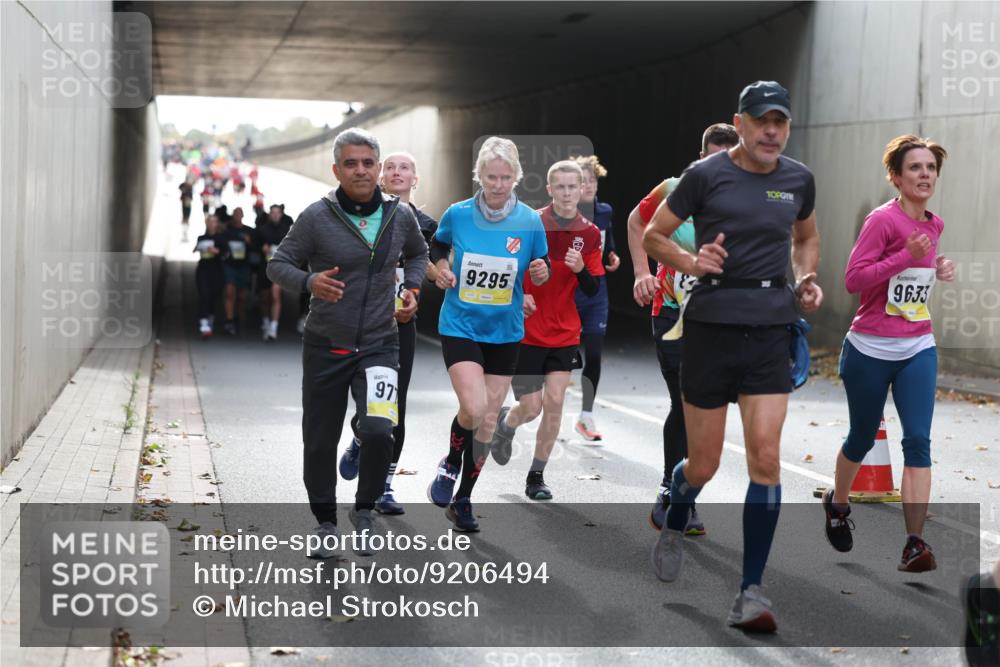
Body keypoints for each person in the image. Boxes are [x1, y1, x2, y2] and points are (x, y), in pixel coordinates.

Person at [643, 81, 822, 632]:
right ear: (739, 123)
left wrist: (806, 278)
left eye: (781, 122)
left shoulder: (798, 179)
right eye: (761, 120)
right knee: (705, 463)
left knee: (765, 457)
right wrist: (693, 261)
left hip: (771, 326)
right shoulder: (705, 176)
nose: (772, 130)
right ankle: (677, 506)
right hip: (712, 325)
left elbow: (807, 237)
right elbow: (653, 235)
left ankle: (751, 592)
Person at [267, 127, 427, 557]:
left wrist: (411, 290)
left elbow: (418, 253)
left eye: (368, 163)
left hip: (380, 344)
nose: (360, 170)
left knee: (379, 429)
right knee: (319, 441)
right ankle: (324, 523)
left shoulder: (399, 215)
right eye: (351, 163)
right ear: (336, 169)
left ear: (378, 169)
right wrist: (309, 281)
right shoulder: (317, 217)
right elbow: (277, 264)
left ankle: (365, 512)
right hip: (326, 345)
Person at [821, 135, 954, 574]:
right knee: (862, 437)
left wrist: (936, 268)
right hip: (869, 349)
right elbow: (853, 280)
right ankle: (838, 503)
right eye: (914, 168)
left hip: (917, 345)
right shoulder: (882, 221)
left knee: (918, 440)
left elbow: (913, 283)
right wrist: (902, 257)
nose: (924, 175)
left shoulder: (934, 224)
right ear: (896, 177)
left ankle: (915, 543)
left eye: (930, 168)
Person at [426, 136, 550, 532]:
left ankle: (463, 499)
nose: (498, 184)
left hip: (506, 329)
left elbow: (540, 262)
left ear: (516, 177)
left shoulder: (530, 221)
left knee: (487, 423)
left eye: (506, 177)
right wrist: (442, 268)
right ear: (478, 175)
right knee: (475, 408)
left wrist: (540, 272)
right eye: (491, 176)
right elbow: (437, 247)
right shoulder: (458, 214)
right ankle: (449, 463)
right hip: (461, 323)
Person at [628, 122, 739, 535]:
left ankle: (682, 491)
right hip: (672, 312)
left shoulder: (749, 197)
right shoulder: (676, 187)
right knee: (685, 399)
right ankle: (672, 491)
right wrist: (642, 271)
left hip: (719, 318)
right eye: (711, 160)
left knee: (705, 409)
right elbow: (637, 223)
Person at [489, 160, 602, 500]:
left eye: (574, 186)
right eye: (561, 187)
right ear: (550, 190)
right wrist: (517, 298)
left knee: (555, 402)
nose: (568, 193)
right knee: (532, 407)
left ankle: (536, 476)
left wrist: (581, 270)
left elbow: (593, 289)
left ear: (582, 189)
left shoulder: (590, 234)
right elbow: (503, 268)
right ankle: (507, 423)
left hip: (565, 332)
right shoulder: (529, 223)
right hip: (525, 331)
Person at [339, 151, 439, 515]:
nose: (398, 172)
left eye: (406, 168)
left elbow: (439, 271)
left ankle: (384, 486)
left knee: (395, 406)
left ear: (416, 179)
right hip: (361, 324)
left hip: (401, 326)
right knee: (370, 404)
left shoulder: (428, 225)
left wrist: (429, 267)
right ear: (382, 177)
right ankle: (359, 437)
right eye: (392, 167)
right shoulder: (363, 216)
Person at [571, 155, 620, 441]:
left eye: (593, 180)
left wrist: (611, 253)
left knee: (595, 353)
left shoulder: (604, 211)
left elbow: (607, 237)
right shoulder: (564, 214)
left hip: (597, 290)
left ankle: (586, 416)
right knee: (561, 353)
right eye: (583, 180)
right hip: (569, 290)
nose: (589, 185)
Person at [257, 205, 294, 341]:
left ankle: (274, 327)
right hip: (265, 267)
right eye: (273, 213)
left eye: (278, 213)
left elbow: (294, 248)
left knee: (275, 295)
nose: (275, 215)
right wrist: (263, 248)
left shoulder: (287, 230)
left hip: (279, 268)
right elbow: (254, 246)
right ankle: (266, 321)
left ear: (281, 214)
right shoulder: (262, 230)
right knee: (264, 297)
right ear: (269, 214)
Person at [220, 207, 257, 335]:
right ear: (232, 216)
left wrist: (249, 242)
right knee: (229, 292)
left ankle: (238, 318)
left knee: (241, 296)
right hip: (229, 265)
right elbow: (219, 244)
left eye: (239, 214)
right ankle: (229, 320)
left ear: (242, 216)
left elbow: (256, 249)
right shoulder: (226, 230)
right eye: (235, 214)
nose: (237, 216)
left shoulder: (249, 231)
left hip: (243, 266)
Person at [193, 213, 226, 338]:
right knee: (204, 295)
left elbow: (226, 253)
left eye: (214, 222)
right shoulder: (201, 238)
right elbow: (195, 249)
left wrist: (217, 252)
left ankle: (209, 319)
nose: (212, 224)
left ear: (217, 224)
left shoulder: (221, 239)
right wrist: (197, 248)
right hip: (203, 270)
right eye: (210, 221)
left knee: (213, 297)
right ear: (206, 223)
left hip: (217, 271)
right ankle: (203, 324)